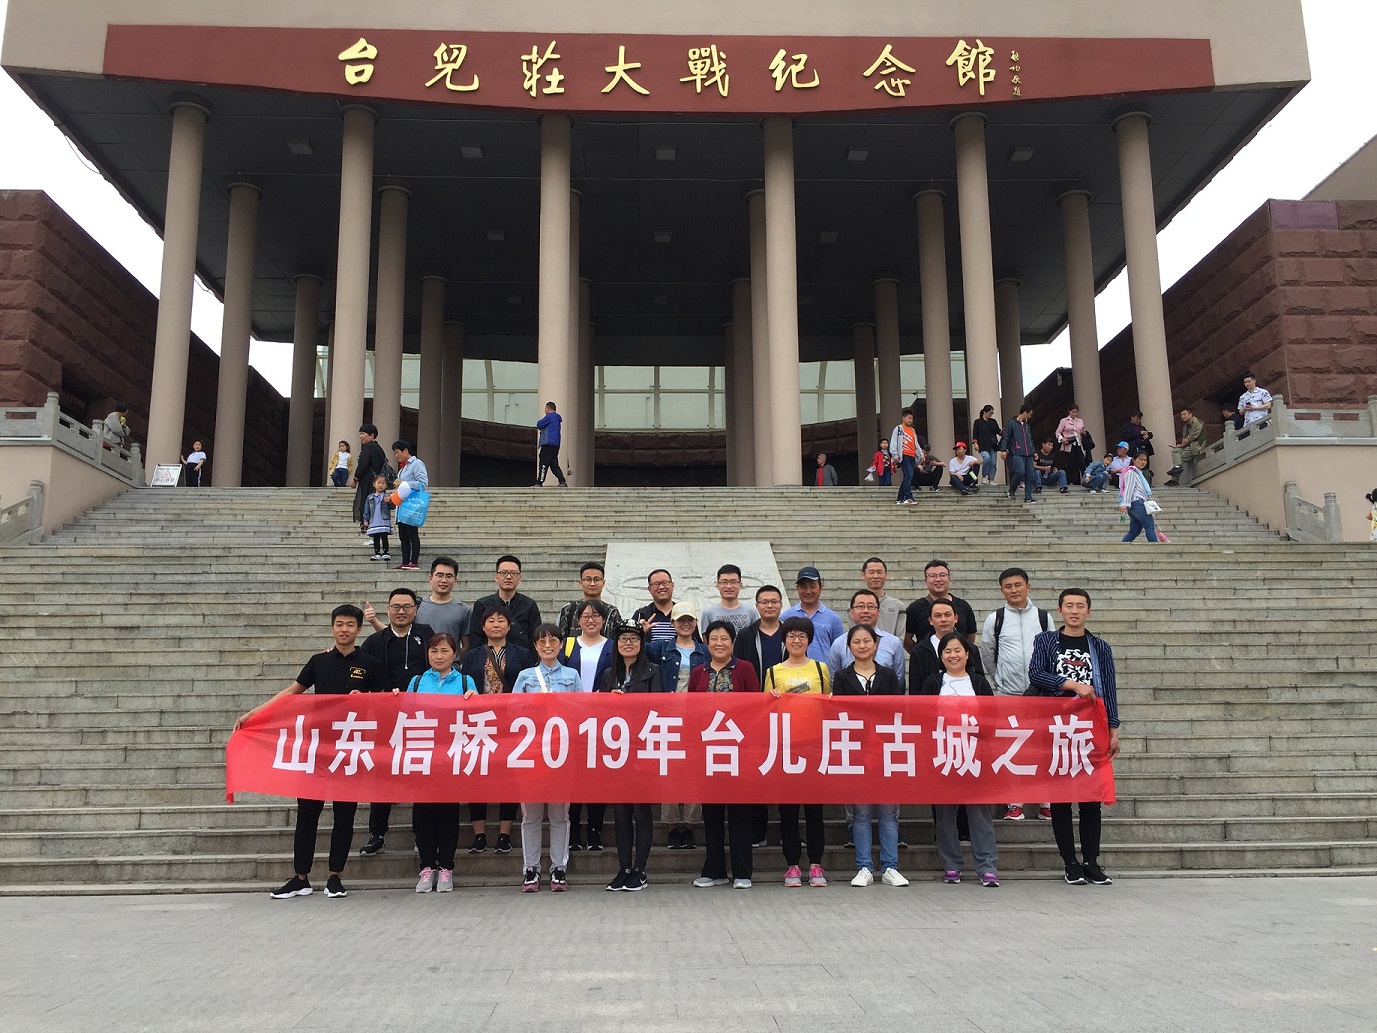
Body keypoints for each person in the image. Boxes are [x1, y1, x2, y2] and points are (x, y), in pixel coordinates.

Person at [234, 604, 385, 900]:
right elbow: (291, 693)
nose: (344, 629)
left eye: (350, 625)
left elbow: (384, 704)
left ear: (359, 629)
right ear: (332, 627)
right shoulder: (319, 661)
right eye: (339, 624)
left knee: (344, 815)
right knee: (307, 815)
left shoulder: (370, 663)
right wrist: (254, 714)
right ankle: (300, 878)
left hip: (348, 749)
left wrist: (366, 698)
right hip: (316, 748)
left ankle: (335, 877)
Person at [1028, 588, 1122, 886]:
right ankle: (1070, 862)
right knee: (1061, 797)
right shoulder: (1046, 640)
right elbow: (1035, 673)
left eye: (1080, 606)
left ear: (1088, 612)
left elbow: (1109, 687)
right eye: (1069, 605)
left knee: (1091, 797)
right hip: (1056, 725)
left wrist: (1114, 729)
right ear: (1060, 610)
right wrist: (1071, 684)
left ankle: (1091, 861)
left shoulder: (1100, 646)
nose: (1074, 611)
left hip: (1090, 728)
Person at [916, 632, 1000, 888]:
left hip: (975, 755)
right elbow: (922, 717)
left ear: (967, 653)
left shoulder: (979, 683)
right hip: (943, 755)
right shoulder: (933, 683)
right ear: (941, 657)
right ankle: (951, 864)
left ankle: (987, 867)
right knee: (944, 814)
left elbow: (992, 718)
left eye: (957, 650)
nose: (953, 655)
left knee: (979, 813)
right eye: (947, 651)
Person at [356, 587, 435, 857]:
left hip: (422, 717)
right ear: (388, 610)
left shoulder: (426, 634)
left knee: (421, 774)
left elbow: (443, 659)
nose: (401, 612)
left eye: (407, 607)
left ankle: (421, 834)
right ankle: (377, 833)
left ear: (415, 609)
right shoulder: (375, 641)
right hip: (386, 718)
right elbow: (359, 666)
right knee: (383, 774)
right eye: (396, 607)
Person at [832, 625, 907, 888]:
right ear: (849, 647)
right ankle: (864, 866)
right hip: (855, 750)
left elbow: (895, 709)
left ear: (875, 645)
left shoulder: (888, 675)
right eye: (856, 642)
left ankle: (890, 867)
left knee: (888, 812)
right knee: (861, 813)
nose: (862, 646)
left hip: (885, 749)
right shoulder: (842, 676)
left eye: (867, 641)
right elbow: (840, 712)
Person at [688, 619, 760, 889]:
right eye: (714, 639)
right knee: (712, 814)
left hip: (739, 751)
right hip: (708, 752)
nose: (719, 643)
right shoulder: (699, 672)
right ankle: (715, 870)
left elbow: (756, 707)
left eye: (724, 639)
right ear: (707, 642)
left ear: (732, 642)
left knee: (740, 813)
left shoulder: (745, 668)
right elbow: (691, 709)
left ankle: (742, 872)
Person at [458, 605, 534, 853]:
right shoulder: (472, 656)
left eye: (501, 620)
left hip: (511, 723)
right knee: (477, 775)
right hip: (479, 722)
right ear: (483, 627)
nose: (496, 624)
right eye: (490, 620)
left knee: (509, 776)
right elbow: (465, 687)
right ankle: (479, 834)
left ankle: (504, 833)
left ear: (509, 626)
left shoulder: (522, 654)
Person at [512, 623, 582, 892]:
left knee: (559, 814)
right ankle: (530, 869)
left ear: (561, 644)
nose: (548, 645)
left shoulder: (572, 675)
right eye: (542, 642)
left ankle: (558, 868)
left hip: (561, 753)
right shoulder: (525, 676)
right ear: (535, 646)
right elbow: (513, 710)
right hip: (530, 753)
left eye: (553, 640)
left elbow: (581, 711)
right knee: (530, 815)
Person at [404, 633, 475, 894]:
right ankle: (426, 867)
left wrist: (473, 700)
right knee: (423, 814)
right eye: (434, 651)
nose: (439, 656)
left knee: (448, 814)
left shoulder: (465, 681)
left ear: (454, 654)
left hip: (451, 757)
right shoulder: (417, 681)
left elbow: (476, 717)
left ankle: (446, 867)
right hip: (423, 756)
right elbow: (404, 715)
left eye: (445, 651)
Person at [981, 568, 1053, 821]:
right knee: (1012, 749)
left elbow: (1052, 653)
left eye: (1018, 585)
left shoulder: (1043, 617)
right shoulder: (995, 619)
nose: (1013, 590)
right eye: (1008, 586)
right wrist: (999, 679)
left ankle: (1046, 802)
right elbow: (987, 653)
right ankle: (1015, 804)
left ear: (1027, 587)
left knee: (1041, 748)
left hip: (1039, 694)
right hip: (1008, 694)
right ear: (1002, 590)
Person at [764, 616, 830, 888]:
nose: (796, 640)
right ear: (784, 640)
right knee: (788, 811)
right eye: (791, 635)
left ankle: (815, 865)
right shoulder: (773, 672)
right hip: (785, 749)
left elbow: (828, 705)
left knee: (814, 811)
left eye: (802, 636)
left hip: (813, 747)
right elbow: (765, 710)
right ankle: (792, 865)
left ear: (809, 640)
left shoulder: (820, 669)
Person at [600, 626, 664, 891]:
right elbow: (596, 710)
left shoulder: (652, 671)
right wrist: (607, 700)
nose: (628, 643)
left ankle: (640, 869)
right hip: (616, 751)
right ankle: (624, 867)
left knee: (641, 810)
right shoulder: (609, 674)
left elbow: (658, 708)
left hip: (642, 749)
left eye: (634, 639)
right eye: (623, 639)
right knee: (620, 811)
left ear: (642, 643)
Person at [648, 602, 708, 849]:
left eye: (689, 620)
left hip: (697, 720)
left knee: (694, 773)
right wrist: (642, 633)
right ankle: (672, 826)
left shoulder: (705, 651)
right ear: (672, 623)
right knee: (669, 772)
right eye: (680, 619)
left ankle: (690, 826)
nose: (685, 624)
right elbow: (634, 650)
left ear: (695, 623)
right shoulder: (661, 648)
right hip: (668, 718)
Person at [561, 599, 614, 852]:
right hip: (572, 719)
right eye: (585, 616)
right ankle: (573, 831)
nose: (590, 620)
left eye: (595, 616)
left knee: (598, 777)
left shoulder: (613, 646)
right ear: (578, 620)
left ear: (603, 620)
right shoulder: (568, 645)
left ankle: (595, 830)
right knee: (572, 777)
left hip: (602, 720)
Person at [827, 590, 905, 684]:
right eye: (860, 606)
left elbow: (898, 679)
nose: (865, 611)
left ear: (878, 612)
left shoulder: (894, 642)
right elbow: (834, 680)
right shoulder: (838, 644)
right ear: (851, 612)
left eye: (871, 607)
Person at [908, 598, 986, 691]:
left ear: (956, 618)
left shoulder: (971, 648)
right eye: (938, 616)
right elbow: (915, 689)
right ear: (930, 620)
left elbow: (980, 684)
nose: (943, 619)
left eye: (947, 615)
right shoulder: (919, 651)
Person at [468, 555, 543, 650]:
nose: (508, 577)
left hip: (522, 657)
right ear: (496, 577)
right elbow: (476, 639)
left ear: (520, 578)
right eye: (503, 573)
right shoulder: (482, 605)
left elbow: (535, 638)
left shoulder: (529, 605)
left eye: (513, 573)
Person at [903, 559, 978, 652]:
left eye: (942, 575)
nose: (938, 579)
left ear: (949, 579)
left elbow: (970, 635)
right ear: (926, 581)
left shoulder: (963, 606)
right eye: (933, 576)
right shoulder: (915, 608)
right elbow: (906, 638)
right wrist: (920, 654)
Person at [781, 566, 845, 665]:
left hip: (823, 672)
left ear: (820, 588)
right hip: (793, 671)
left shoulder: (833, 619)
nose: (808, 591)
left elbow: (840, 650)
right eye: (803, 587)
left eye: (812, 586)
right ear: (797, 589)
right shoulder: (785, 617)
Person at [414, 556, 472, 651]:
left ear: (455, 581)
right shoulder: (417, 607)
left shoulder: (464, 610)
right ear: (431, 578)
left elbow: (466, 646)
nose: (444, 580)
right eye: (439, 575)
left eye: (449, 576)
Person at [556, 562, 624, 639]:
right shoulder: (568, 609)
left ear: (603, 583)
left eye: (597, 580)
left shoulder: (612, 612)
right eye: (588, 579)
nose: (592, 584)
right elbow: (559, 640)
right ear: (581, 583)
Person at [389, 440, 428, 570]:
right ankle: (405, 561)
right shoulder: (403, 468)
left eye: (397, 452)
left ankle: (414, 561)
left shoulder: (417, 464)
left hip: (411, 505)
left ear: (405, 450)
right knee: (403, 535)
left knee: (412, 534)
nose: (396, 456)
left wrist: (405, 484)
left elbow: (423, 484)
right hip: (402, 505)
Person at [700, 564, 759, 634]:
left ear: (740, 585)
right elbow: (706, 639)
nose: (729, 586)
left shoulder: (751, 612)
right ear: (717, 585)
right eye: (724, 582)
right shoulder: (708, 613)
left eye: (733, 582)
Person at [632, 568, 684, 645]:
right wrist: (640, 632)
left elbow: (696, 643)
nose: (661, 587)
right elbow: (630, 643)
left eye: (665, 583)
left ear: (672, 585)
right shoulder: (641, 615)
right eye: (656, 584)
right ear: (649, 589)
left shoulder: (684, 613)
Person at [1118, 451, 1160, 543]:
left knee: (1134, 531)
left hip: (1135, 504)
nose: (1143, 462)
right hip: (1137, 503)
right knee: (1149, 527)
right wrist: (1124, 503)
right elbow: (1129, 489)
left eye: (1145, 460)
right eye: (1140, 459)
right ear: (1133, 460)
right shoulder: (1131, 472)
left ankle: (1122, 547)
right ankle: (1156, 549)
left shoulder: (1137, 473)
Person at [350, 423, 387, 527]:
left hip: (368, 481)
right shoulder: (379, 448)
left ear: (371, 435)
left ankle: (366, 526)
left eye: (363, 433)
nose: (361, 436)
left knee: (366, 504)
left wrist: (355, 479)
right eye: (360, 434)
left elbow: (363, 464)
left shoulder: (368, 447)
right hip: (377, 481)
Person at [1000, 403, 1037, 503]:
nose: (1030, 416)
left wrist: (1034, 451)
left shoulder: (1027, 426)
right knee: (1020, 472)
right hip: (1017, 452)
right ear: (1025, 413)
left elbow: (1030, 439)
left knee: (1030, 475)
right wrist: (1003, 450)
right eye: (1029, 414)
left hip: (1028, 453)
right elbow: (1006, 437)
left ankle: (1028, 497)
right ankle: (1012, 490)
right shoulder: (1011, 423)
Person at [860, 557, 906, 640]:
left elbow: (900, 639)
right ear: (863, 575)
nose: (875, 576)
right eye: (871, 572)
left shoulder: (898, 605)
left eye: (879, 572)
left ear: (886, 575)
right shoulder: (855, 605)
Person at [1167, 407, 1206, 486]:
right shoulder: (1185, 426)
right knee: (1175, 451)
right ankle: (1177, 468)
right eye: (1181, 415)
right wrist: (1180, 445)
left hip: (1196, 445)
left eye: (1185, 414)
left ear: (1190, 414)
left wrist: (1185, 442)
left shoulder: (1196, 423)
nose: (1183, 416)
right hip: (1188, 445)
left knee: (1181, 457)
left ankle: (1175, 479)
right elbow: (1184, 439)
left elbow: (1192, 437)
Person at [889, 408, 920, 505]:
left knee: (908, 476)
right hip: (904, 455)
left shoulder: (912, 430)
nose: (910, 420)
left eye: (912, 419)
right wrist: (895, 454)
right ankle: (908, 497)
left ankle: (900, 498)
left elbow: (916, 443)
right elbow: (893, 441)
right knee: (908, 475)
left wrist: (920, 454)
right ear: (903, 418)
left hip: (912, 455)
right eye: (908, 418)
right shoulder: (898, 429)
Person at [535, 401, 568, 486]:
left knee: (543, 463)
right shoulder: (557, 418)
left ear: (548, 408)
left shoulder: (550, 416)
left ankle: (539, 482)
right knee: (554, 465)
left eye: (545, 408)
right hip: (555, 445)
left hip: (547, 444)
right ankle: (562, 481)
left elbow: (539, 424)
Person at [1055, 405, 1090, 486]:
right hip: (1069, 445)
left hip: (1078, 444)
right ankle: (1073, 481)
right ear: (1069, 411)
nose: (1074, 414)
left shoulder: (1080, 421)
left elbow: (1082, 430)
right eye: (1073, 412)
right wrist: (1062, 439)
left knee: (1082, 462)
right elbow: (1058, 432)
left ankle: (1086, 480)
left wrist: (1083, 432)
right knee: (1072, 463)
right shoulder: (1064, 421)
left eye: (1076, 412)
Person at [361, 474, 393, 562]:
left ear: (386, 485)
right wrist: (365, 520)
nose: (380, 485)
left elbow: (393, 507)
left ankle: (386, 552)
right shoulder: (370, 497)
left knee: (384, 536)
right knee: (376, 537)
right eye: (378, 483)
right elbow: (366, 509)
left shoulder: (387, 496)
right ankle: (377, 552)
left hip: (384, 520)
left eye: (383, 483)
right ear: (374, 484)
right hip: (374, 520)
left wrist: (390, 501)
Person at [972, 404, 1002, 485]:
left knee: (993, 462)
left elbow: (998, 431)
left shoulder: (993, 421)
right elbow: (975, 434)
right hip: (983, 444)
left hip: (993, 445)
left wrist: (1004, 431)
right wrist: (975, 443)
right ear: (985, 412)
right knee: (987, 458)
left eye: (992, 413)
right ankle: (984, 476)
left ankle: (991, 479)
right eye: (990, 413)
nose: (991, 414)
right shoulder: (978, 422)